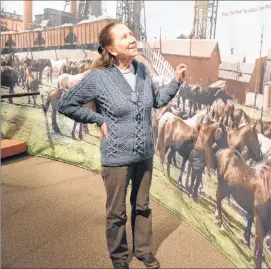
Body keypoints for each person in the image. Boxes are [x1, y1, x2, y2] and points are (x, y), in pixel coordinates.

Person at [57, 21, 187, 269]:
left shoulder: (143, 71)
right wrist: (97, 118)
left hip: (144, 154)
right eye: (124, 36)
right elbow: (66, 104)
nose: (132, 39)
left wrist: (176, 81)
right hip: (116, 157)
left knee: (143, 206)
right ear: (112, 49)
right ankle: (119, 257)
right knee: (117, 213)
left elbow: (157, 100)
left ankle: (144, 251)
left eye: (132, 34)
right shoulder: (98, 78)